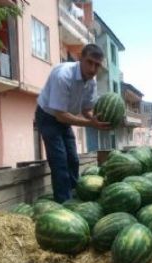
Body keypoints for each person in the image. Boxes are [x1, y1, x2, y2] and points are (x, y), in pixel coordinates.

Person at [35, 44, 110, 203]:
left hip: (64, 118)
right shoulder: (63, 75)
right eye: (89, 62)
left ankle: (75, 195)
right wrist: (90, 124)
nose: (92, 68)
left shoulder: (91, 82)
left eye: (97, 65)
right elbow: (60, 115)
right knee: (60, 160)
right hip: (48, 117)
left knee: (74, 160)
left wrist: (95, 119)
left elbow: (86, 109)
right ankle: (64, 203)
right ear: (80, 58)